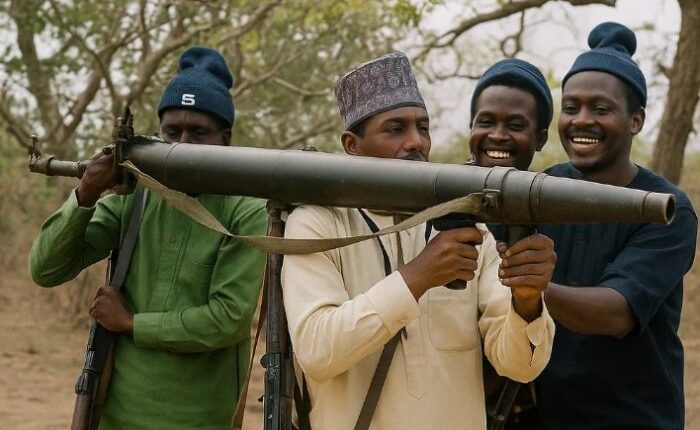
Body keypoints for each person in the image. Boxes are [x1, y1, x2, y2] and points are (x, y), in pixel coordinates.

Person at [281, 51, 556, 430]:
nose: (416, 142)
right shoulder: (317, 224)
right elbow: (316, 351)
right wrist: (418, 277)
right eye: (395, 129)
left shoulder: (463, 224)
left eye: (422, 128)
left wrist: (526, 300)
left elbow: (521, 367)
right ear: (352, 145)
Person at [29, 47, 267, 429]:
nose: (182, 144)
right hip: (115, 415)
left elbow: (228, 318)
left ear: (225, 139)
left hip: (201, 419)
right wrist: (86, 193)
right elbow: (46, 269)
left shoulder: (245, 209)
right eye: (172, 132)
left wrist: (130, 323)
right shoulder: (137, 195)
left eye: (198, 133)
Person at [533, 22, 697, 429]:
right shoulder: (539, 191)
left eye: (601, 109)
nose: (581, 120)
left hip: (635, 418)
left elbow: (617, 313)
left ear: (635, 120)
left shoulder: (664, 208)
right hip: (546, 417)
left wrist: (527, 286)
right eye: (571, 108)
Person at [467, 58, 555, 429]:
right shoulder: (440, 209)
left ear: (540, 138)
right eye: (486, 121)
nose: (498, 135)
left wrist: (531, 294)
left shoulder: (554, 211)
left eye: (515, 126)